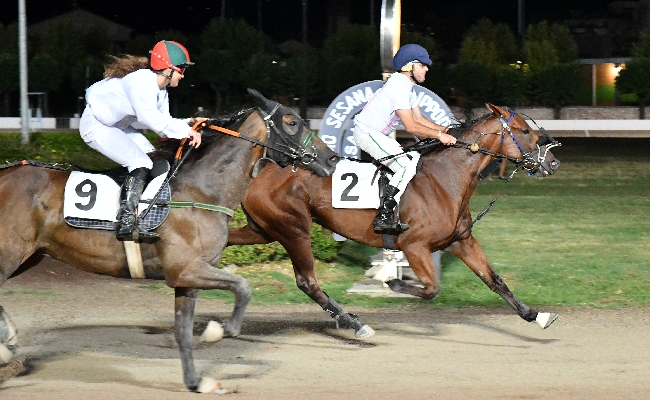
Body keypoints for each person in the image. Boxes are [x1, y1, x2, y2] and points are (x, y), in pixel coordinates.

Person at [79, 40, 202, 240]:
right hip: (95, 126)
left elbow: (165, 124)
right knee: (140, 162)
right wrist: (186, 132)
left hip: (116, 127)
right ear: (167, 68)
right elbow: (149, 118)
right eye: (180, 69)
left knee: (152, 159)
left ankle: (142, 213)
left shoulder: (161, 92)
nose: (183, 74)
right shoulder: (141, 81)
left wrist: (189, 123)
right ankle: (126, 222)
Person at [353, 43, 457, 233]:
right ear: (410, 66)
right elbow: (411, 126)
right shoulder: (399, 84)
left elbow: (420, 119)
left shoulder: (408, 87)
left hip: (374, 134)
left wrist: (446, 129)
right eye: (423, 65)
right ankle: (383, 217)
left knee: (413, 159)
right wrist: (441, 136)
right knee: (405, 165)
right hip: (366, 132)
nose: (427, 69)